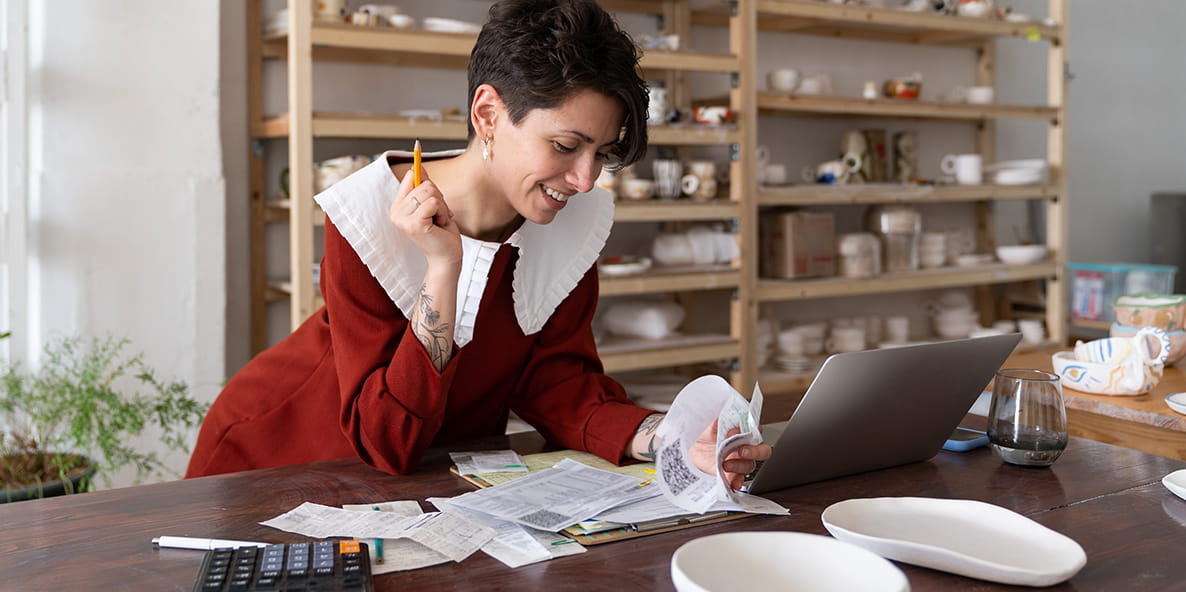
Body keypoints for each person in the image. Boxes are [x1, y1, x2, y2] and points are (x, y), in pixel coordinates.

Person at [186, 0, 770, 489]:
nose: (587, 179)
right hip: (286, 456)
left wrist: (673, 440)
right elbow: (387, 440)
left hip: (433, 475)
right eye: (566, 146)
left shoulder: (568, 218)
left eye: (603, 152)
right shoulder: (365, 214)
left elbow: (561, 388)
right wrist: (444, 269)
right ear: (488, 114)